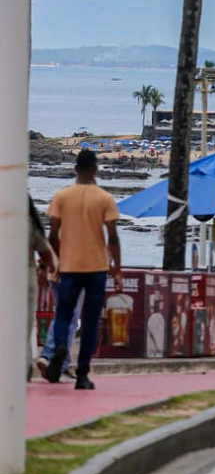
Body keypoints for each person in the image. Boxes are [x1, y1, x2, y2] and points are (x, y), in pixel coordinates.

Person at [44, 149, 122, 390]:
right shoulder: (104, 198)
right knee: (89, 321)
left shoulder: (61, 196)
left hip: (68, 266)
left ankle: (58, 348)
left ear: (76, 169)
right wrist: (116, 269)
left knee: (64, 314)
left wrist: (54, 262)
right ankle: (82, 374)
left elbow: (52, 235)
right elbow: (113, 238)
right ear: (96, 169)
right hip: (96, 268)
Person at [27, 197, 58, 382]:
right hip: (24, 274)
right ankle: (23, 370)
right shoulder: (30, 224)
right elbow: (45, 252)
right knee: (24, 325)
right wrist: (49, 267)